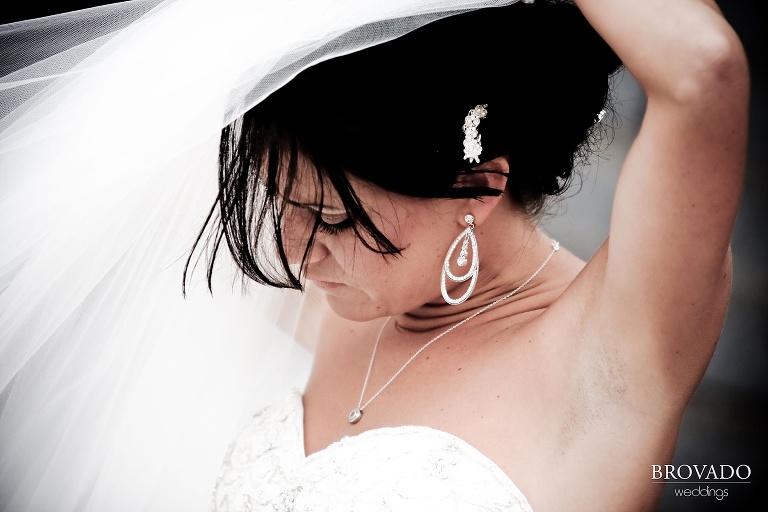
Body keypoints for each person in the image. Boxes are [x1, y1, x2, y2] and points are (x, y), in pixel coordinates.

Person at [0, 0, 749, 511]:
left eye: (328, 217)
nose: (294, 254)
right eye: (277, 204)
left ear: (479, 184)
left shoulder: (608, 359)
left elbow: (704, 68)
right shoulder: (335, 303)